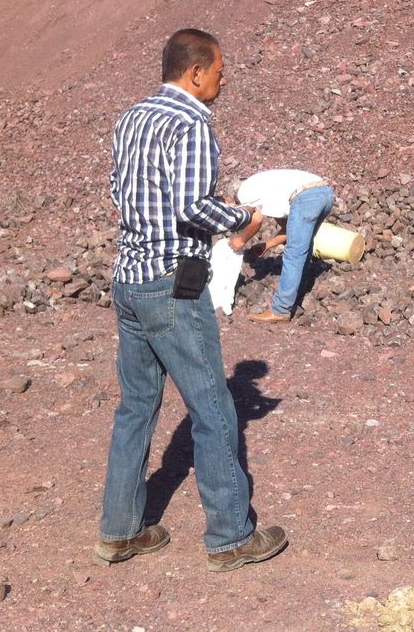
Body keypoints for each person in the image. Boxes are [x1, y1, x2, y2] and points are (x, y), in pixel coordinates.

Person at [98, 28, 289, 571]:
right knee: (212, 407)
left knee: (136, 407)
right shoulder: (191, 123)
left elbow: (118, 192)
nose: (223, 82)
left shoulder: (132, 117)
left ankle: (120, 531)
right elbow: (191, 208)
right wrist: (243, 218)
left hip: (129, 277)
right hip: (172, 284)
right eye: (220, 72)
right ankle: (230, 537)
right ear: (196, 73)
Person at [233, 168, 336, 324]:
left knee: (294, 255)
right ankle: (297, 290)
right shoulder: (270, 192)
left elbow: (257, 220)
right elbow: (290, 230)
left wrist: (240, 240)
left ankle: (280, 310)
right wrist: (267, 245)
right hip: (325, 193)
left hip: (306, 196)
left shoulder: (244, 193)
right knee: (303, 245)